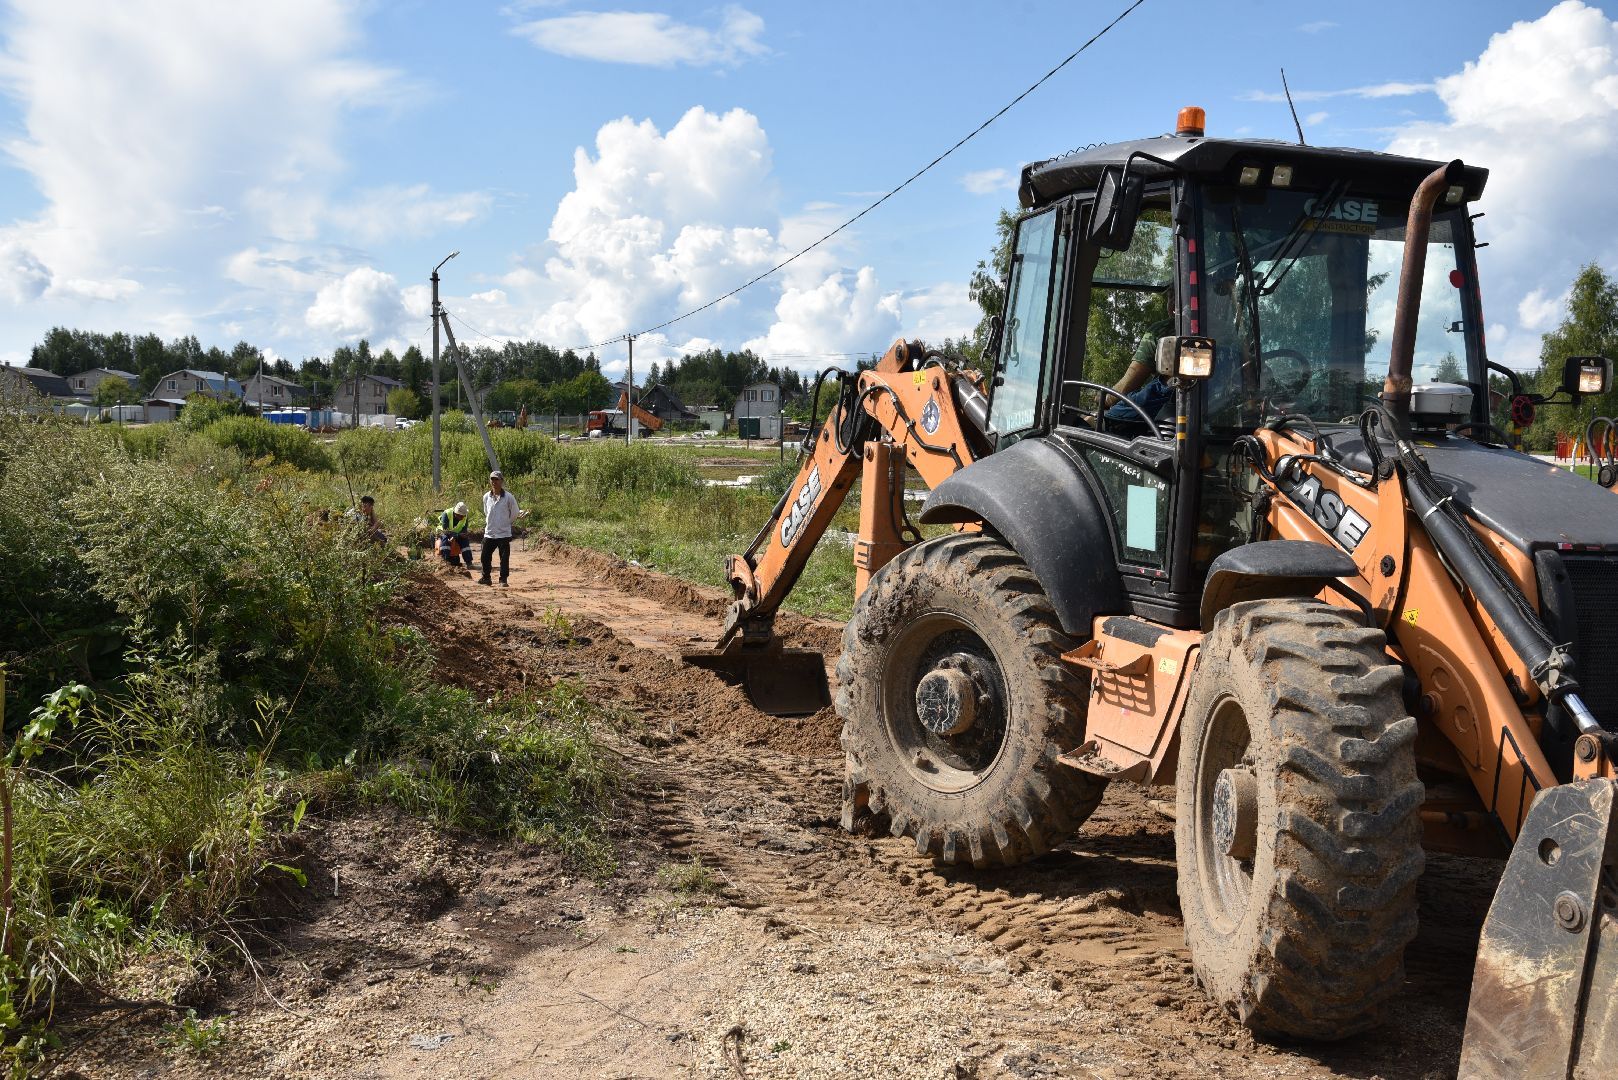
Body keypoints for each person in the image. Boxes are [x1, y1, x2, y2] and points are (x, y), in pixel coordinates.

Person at [479, 471, 518, 587]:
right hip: (490, 533)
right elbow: (486, 512)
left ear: (501, 481)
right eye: (492, 479)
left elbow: (515, 513)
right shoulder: (486, 497)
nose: (494, 482)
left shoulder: (509, 497)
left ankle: (503, 580)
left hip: (504, 533)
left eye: (496, 479)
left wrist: (506, 522)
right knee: (484, 556)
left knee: (504, 558)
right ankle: (486, 578)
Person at [437, 500, 473, 571]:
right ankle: (445, 561)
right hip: (443, 532)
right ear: (456, 513)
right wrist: (457, 535)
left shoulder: (464, 516)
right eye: (461, 516)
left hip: (456, 534)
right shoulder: (446, 514)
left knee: (465, 541)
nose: (463, 517)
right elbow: (445, 530)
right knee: (445, 540)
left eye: (464, 515)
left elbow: (464, 529)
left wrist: (461, 535)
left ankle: (469, 562)